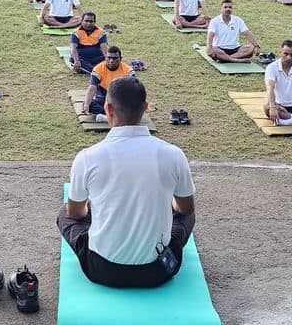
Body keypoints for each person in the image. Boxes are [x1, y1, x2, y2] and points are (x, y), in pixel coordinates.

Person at [60, 76, 195, 288]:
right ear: (145, 108)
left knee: (66, 212)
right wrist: (169, 206)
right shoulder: (173, 154)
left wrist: (89, 207)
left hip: (102, 270)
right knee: (186, 215)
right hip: (159, 270)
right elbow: (186, 208)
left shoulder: (87, 158)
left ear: (108, 108)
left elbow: (76, 215)